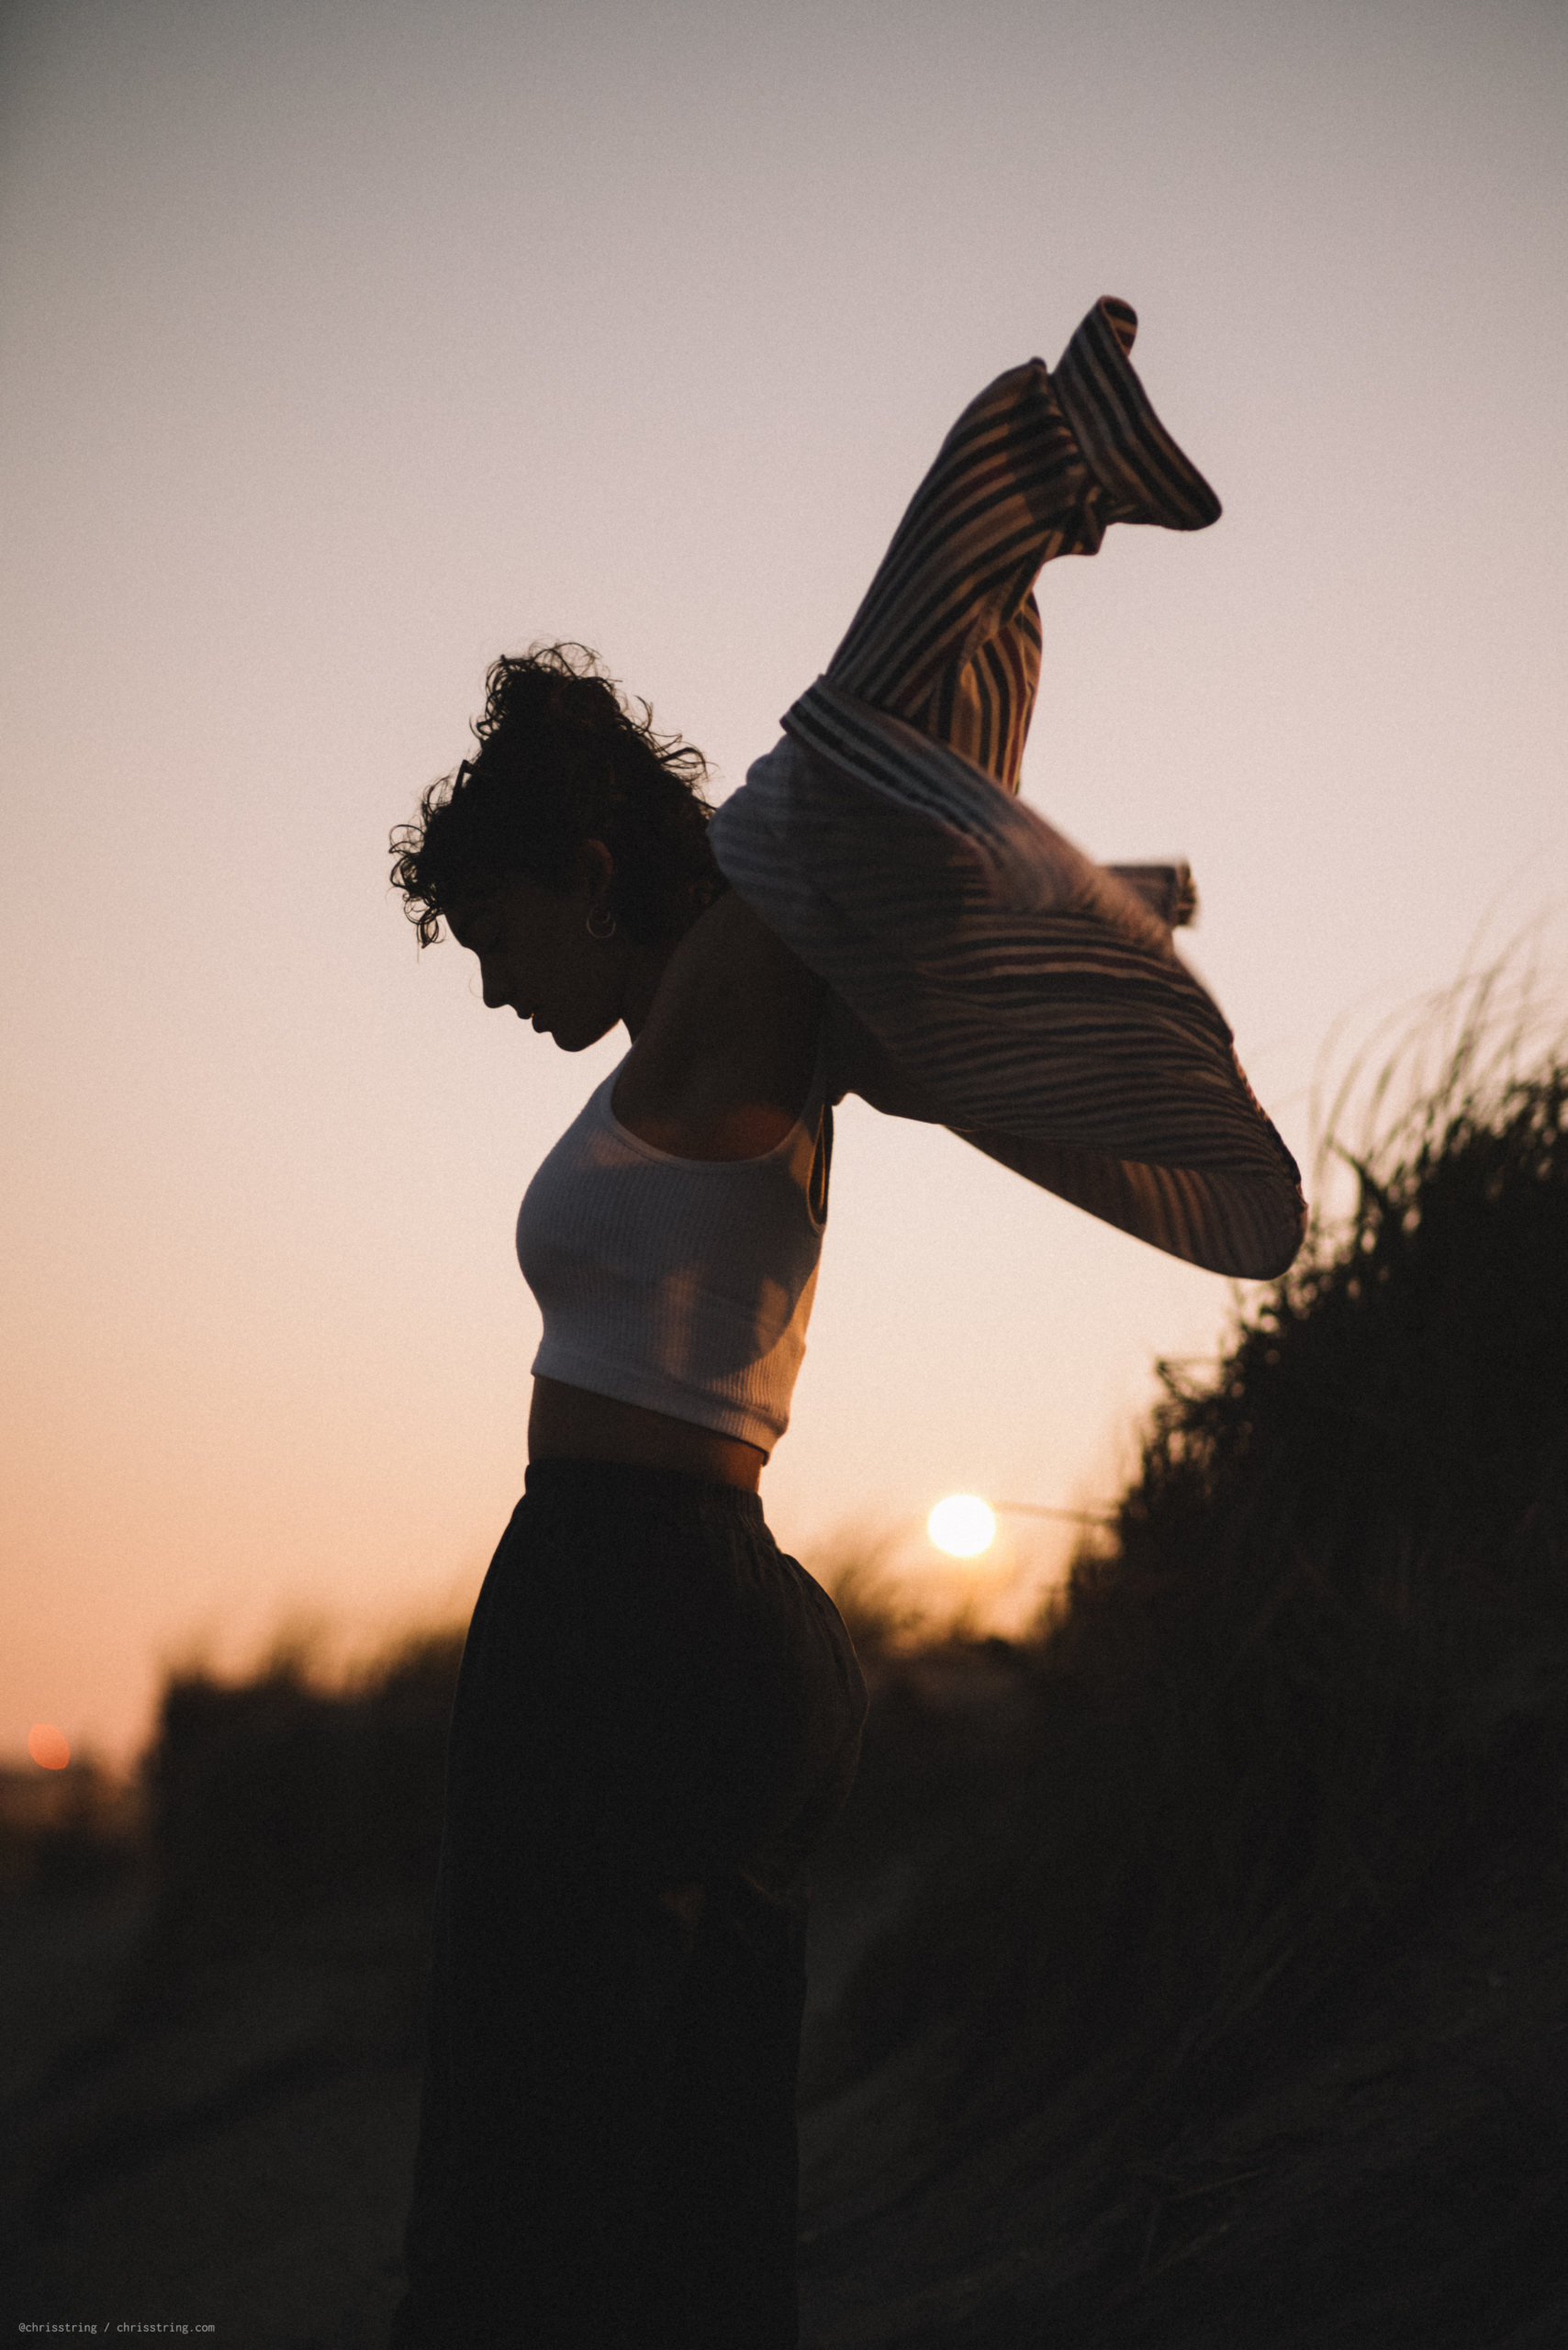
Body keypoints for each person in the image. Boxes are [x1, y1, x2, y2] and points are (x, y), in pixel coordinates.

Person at [386, 297, 1304, 2349]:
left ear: (592, 863)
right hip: (712, 1632)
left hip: (627, 1610)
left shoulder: (742, 968)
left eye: (497, 931)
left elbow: (846, 766)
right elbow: (874, 827)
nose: (489, 985)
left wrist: (1030, 477)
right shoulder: (769, 1006)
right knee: (696, 2198)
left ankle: (1057, 452)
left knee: (534, 2188)